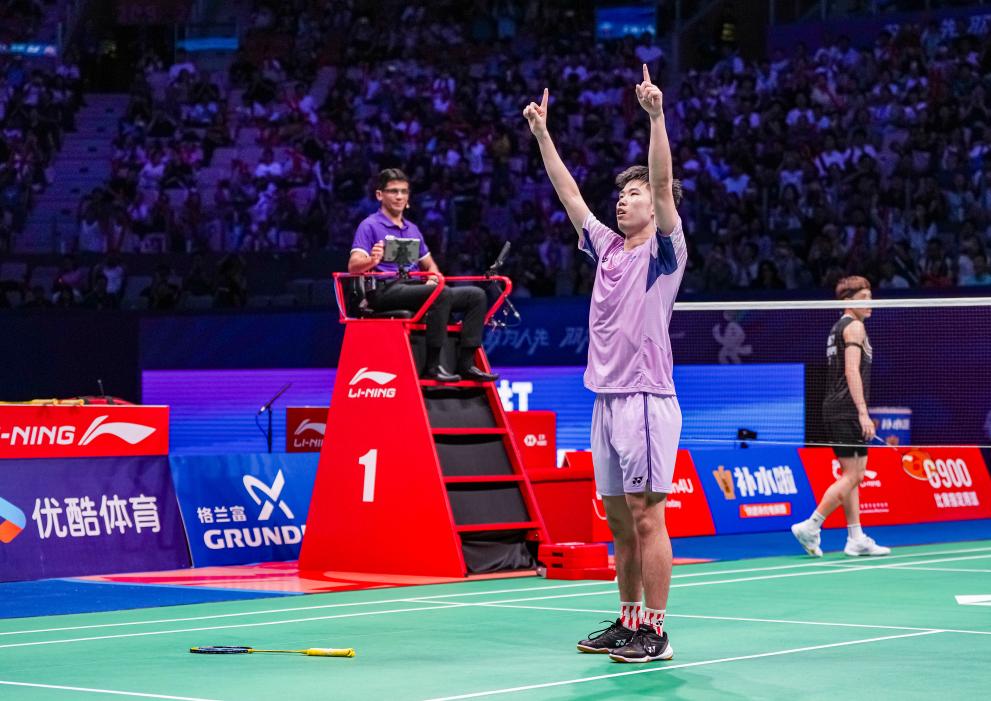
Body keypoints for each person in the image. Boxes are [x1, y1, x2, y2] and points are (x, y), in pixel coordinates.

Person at [524, 65, 686, 664]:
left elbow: (663, 183)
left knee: (647, 517)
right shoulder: (608, 247)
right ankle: (628, 620)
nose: (623, 200)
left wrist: (656, 117)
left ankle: (657, 631)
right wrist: (543, 135)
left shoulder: (665, 250)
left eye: (632, 194)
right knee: (619, 521)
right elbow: (569, 194)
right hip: (607, 397)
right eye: (621, 194)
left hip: (646, 397)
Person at [348, 168, 497, 383]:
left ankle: (467, 364)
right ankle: (433, 366)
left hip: (412, 287)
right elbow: (353, 266)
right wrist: (372, 260)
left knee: (476, 296)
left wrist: (433, 277)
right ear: (380, 195)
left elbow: (430, 265)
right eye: (393, 191)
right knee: (440, 294)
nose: (399, 196)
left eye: (404, 191)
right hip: (384, 290)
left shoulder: (412, 229)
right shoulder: (369, 225)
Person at [792, 276, 890, 558]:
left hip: (835, 407)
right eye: (863, 298)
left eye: (870, 296)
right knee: (854, 475)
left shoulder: (838, 327)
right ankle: (811, 525)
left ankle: (855, 537)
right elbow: (851, 371)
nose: (870, 303)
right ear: (848, 301)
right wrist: (863, 412)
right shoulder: (855, 326)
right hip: (846, 409)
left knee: (852, 474)